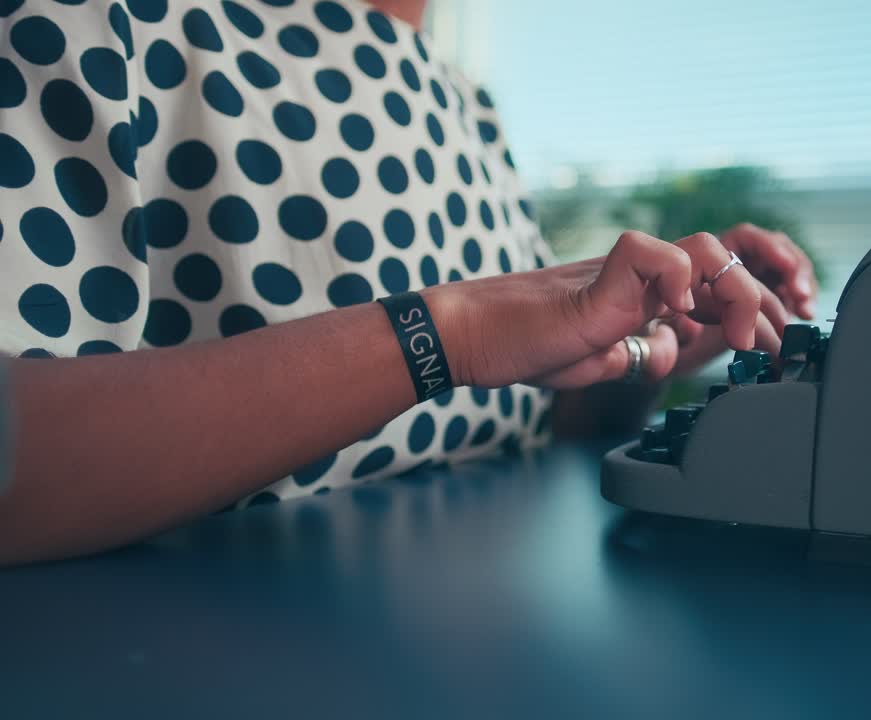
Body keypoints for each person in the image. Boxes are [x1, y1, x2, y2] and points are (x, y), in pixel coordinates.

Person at [0, 0, 818, 565]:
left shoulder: (465, 104)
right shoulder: (100, 26)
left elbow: (512, 424)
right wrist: (447, 331)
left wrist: (654, 347)